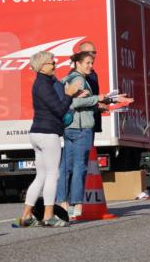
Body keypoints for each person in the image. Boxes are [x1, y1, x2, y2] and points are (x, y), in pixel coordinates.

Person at [56, 51, 131, 219]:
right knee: (79, 167)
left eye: (92, 63)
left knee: (66, 167)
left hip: (70, 127)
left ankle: (62, 202)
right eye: (88, 63)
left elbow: (78, 103)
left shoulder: (68, 77)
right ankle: (76, 204)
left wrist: (101, 104)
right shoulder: (79, 79)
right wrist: (100, 98)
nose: (91, 66)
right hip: (82, 129)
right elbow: (76, 102)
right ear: (78, 63)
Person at [16, 51, 82, 228]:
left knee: (41, 176)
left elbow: (59, 99)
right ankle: (48, 216)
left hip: (38, 133)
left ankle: (26, 216)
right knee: (54, 175)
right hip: (47, 134)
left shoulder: (46, 82)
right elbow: (59, 110)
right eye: (51, 63)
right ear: (41, 66)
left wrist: (73, 94)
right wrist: (69, 95)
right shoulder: (42, 85)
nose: (55, 65)